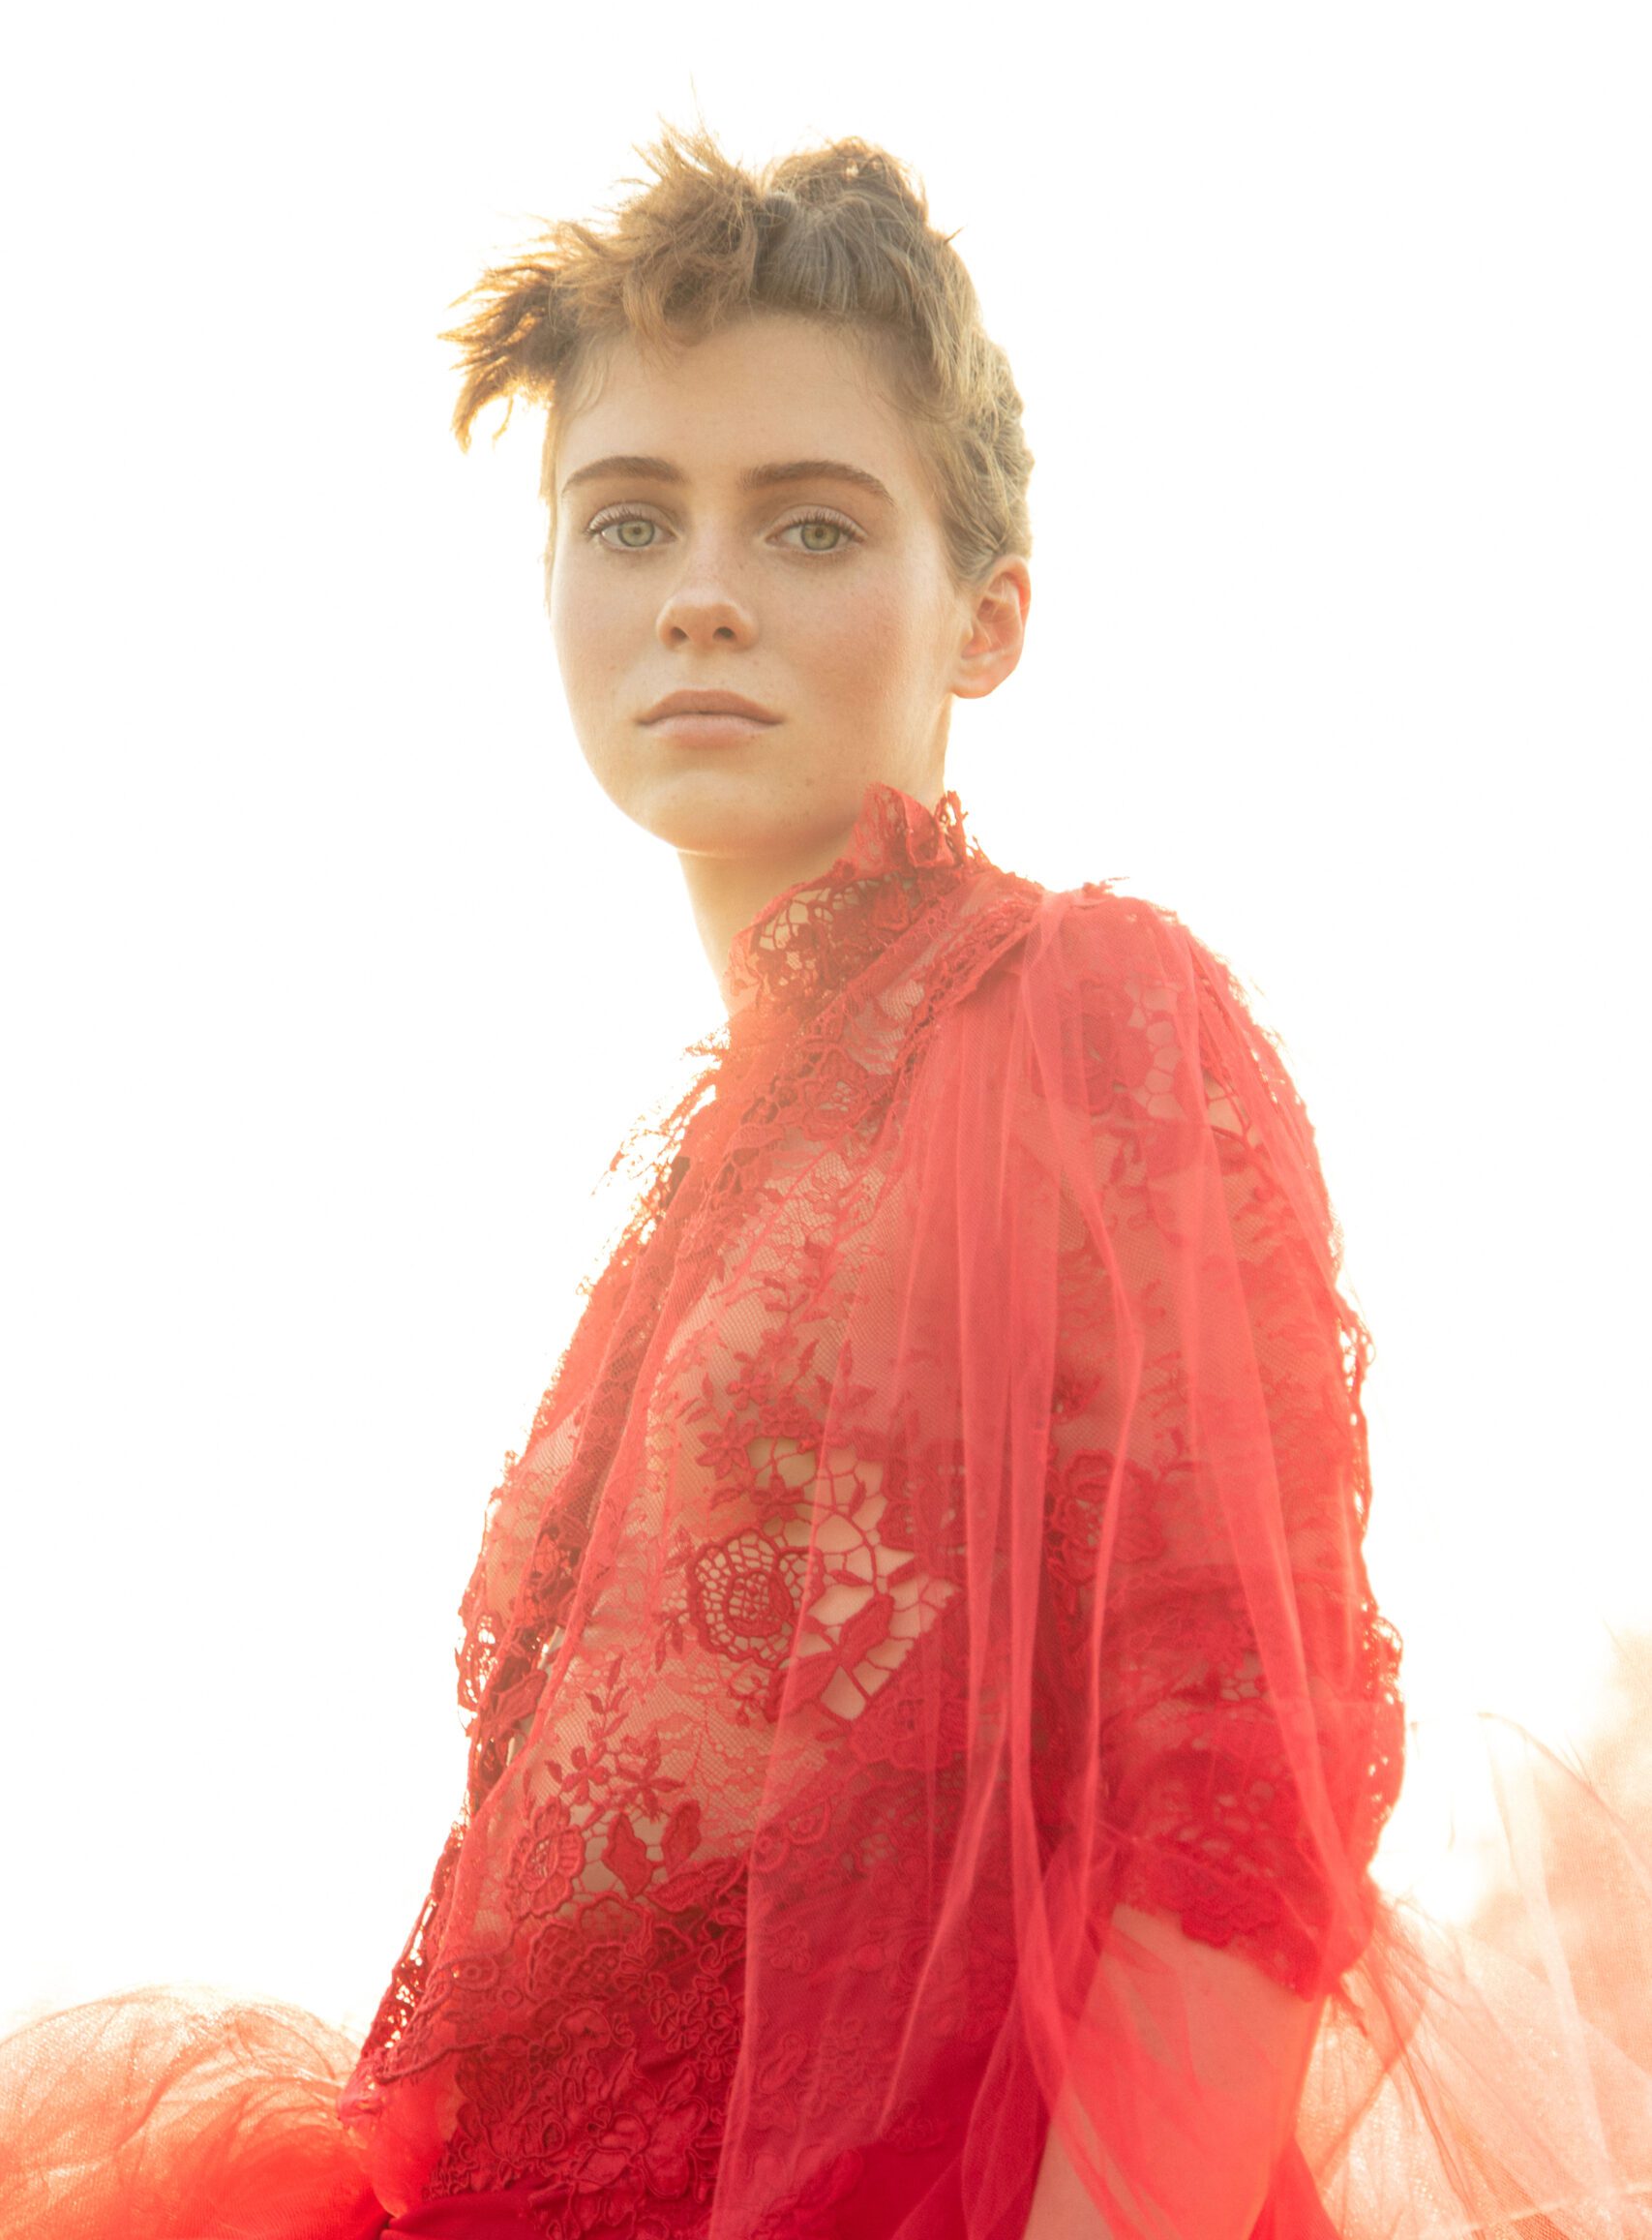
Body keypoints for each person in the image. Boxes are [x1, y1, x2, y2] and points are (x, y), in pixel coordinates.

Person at [3, 124, 1649, 2240]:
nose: (702, 589)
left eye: (808, 523)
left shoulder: (1079, 1015)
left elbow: (1234, 1797)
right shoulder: (706, 1165)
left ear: (988, 614)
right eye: (629, 518)